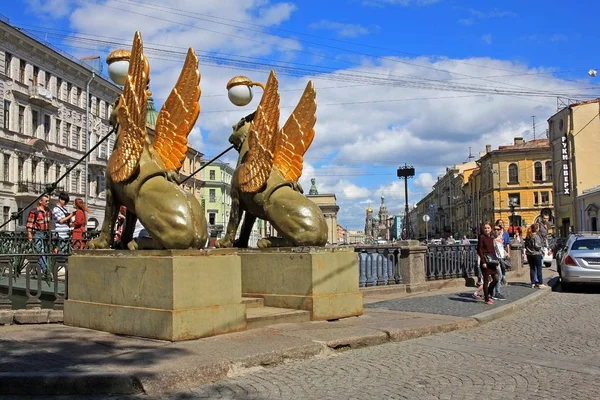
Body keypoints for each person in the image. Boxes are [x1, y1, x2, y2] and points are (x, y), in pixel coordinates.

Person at [26, 195, 51, 274]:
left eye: (48, 201)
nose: (48, 202)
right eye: (46, 201)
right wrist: (29, 235)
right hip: (38, 233)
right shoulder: (34, 211)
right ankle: (46, 270)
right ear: (40, 201)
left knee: (47, 251)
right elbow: (30, 224)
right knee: (41, 251)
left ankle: (40, 269)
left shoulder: (48, 211)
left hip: (46, 233)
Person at [476, 222, 500, 305]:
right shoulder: (481, 237)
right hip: (485, 261)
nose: (487, 229)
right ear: (483, 229)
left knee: (496, 278)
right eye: (485, 228)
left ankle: (488, 293)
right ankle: (486, 298)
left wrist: (496, 260)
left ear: (491, 229)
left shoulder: (491, 238)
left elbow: (493, 250)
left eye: (488, 228)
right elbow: (479, 250)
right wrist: (483, 262)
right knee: (486, 281)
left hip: (492, 261)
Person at [525, 224, 547, 289]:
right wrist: (541, 249)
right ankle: (540, 283)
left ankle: (533, 283)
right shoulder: (536, 236)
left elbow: (525, 245)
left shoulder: (528, 236)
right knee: (539, 268)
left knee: (532, 268)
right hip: (536, 254)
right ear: (537, 229)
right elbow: (537, 246)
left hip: (529, 254)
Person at [491, 224, 508, 301]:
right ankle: (496, 293)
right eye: (495, 229)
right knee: (499, 276)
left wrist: (505, 252)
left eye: (498, 229)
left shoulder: (501, 238)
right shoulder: (492, 239)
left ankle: (491, 292)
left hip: (501, 259)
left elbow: (501, 248)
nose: (496, 231)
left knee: (497, 277)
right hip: (495, 260)